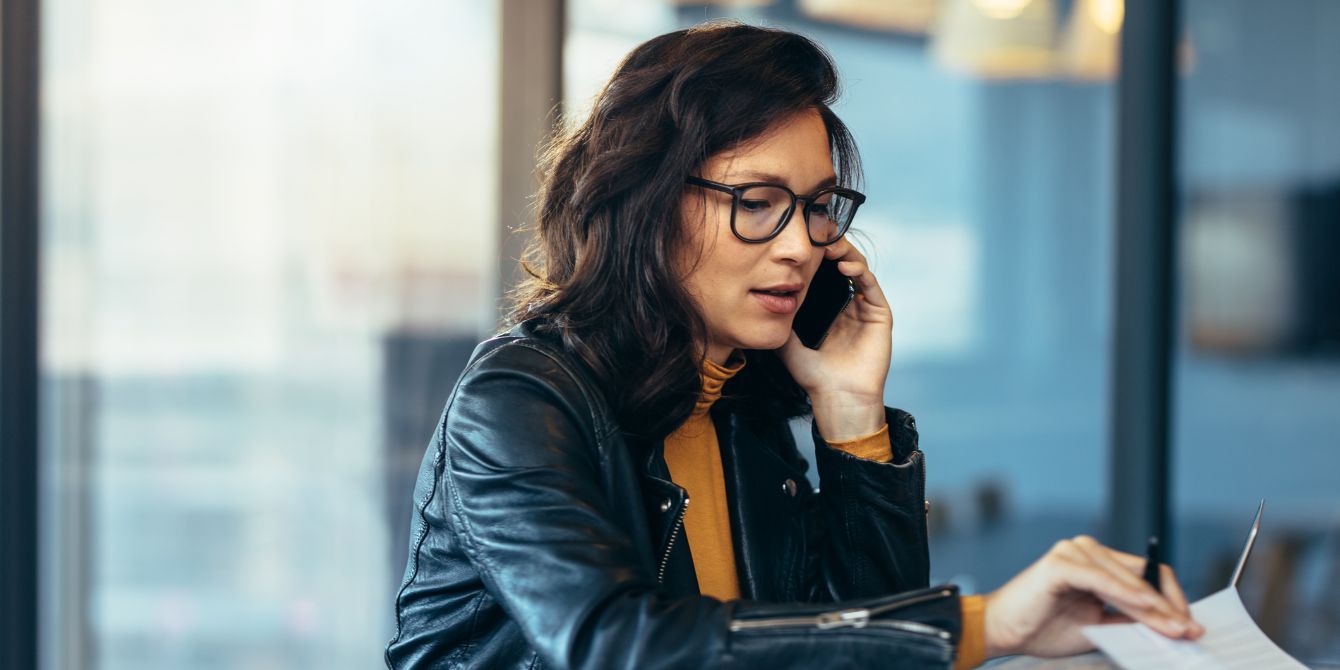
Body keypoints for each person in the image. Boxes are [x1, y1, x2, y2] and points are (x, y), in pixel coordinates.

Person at [385, 21, 1202, 670]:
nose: (800, 245)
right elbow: (618, 644)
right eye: (758, 200)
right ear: (647, 201)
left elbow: (846, 647)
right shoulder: (521, 397)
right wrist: (983, 625)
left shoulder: (741, 405)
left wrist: (850, 414)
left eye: (815, 206)